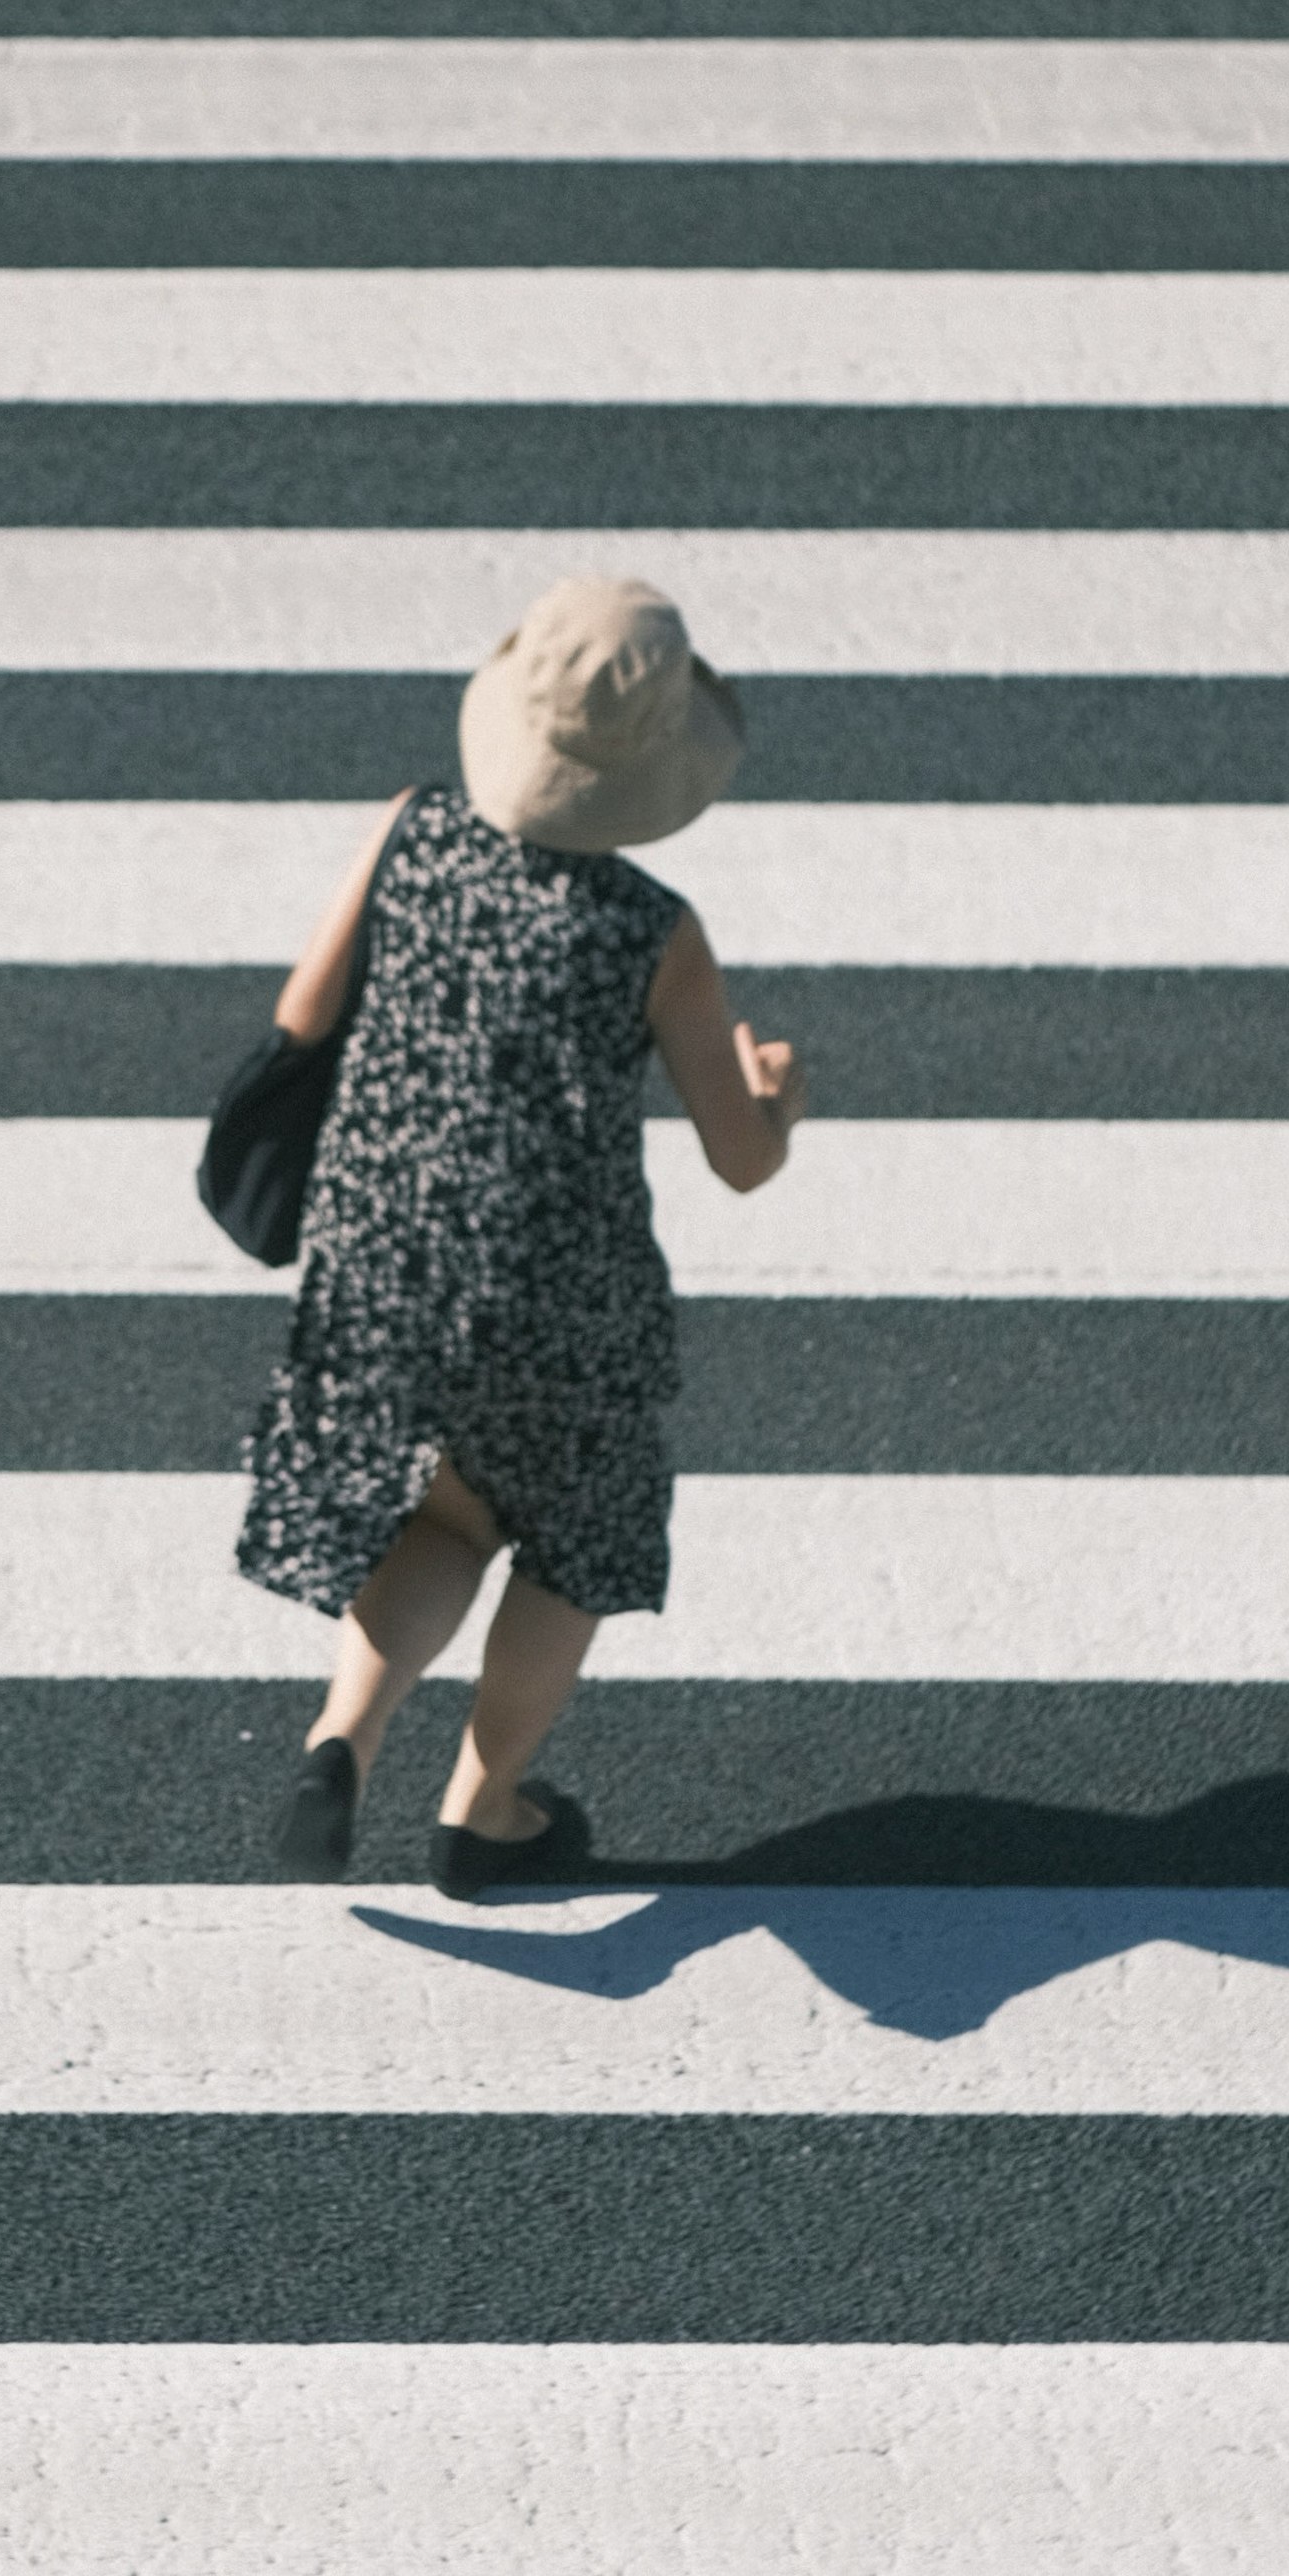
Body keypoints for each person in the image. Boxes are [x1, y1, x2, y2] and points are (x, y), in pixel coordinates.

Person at [239, 577, 799, 1898]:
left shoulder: (408, 833)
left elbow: (301, 1013)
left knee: (438, 1517)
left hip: (388, 1255)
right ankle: (483, 1809)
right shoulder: (655, 933)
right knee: (570, 1540)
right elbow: (739, 1157)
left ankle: (342, 1741)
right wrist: (775, 1094)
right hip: (558, 1293)